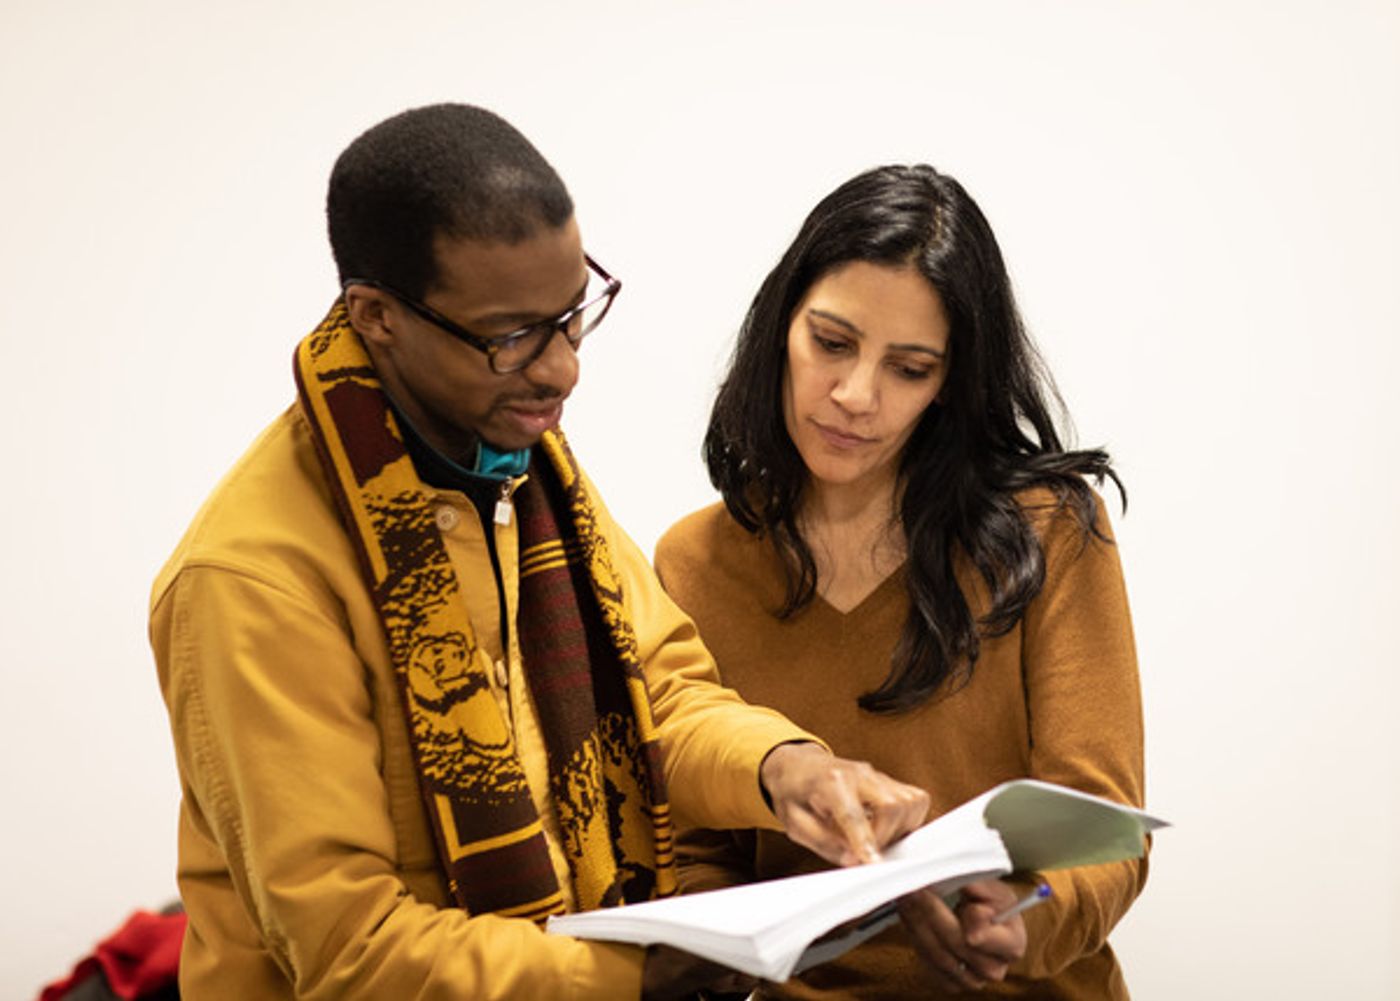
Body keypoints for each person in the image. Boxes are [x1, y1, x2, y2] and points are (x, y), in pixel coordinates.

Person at [149, 105, 930, 1001]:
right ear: (376, 316)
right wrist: (637, 975)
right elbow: (353, 952)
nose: (563, 368)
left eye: (571, 315)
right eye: (511, 334)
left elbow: (656, 694)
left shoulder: (524, 474)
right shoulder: (252, 580)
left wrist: (784, 767)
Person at [655, 164, 1147, 999]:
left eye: (909, 368)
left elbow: (1101, 829)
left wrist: (1018, 916)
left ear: (949, 383)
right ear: (782, 326)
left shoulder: (1051, 530)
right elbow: (705, 847)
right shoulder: (694, 561)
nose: (855, 396)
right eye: (832, 343)